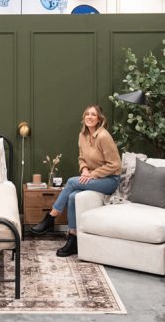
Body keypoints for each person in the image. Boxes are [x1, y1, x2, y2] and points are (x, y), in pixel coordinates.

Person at [30, 104, 121, 257]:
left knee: (72, 182)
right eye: (87, 114)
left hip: (109, 180)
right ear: (84, 118)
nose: (90, 117)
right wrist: (85, 169)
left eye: (93, 115)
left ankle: (51, 218)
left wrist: (93, 174)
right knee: (73, 197)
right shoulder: (82, 136)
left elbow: (115, 164)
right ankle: (73, 240)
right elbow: (81, 158)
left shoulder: (104, 136)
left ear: (99, 119)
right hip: (93, 176)